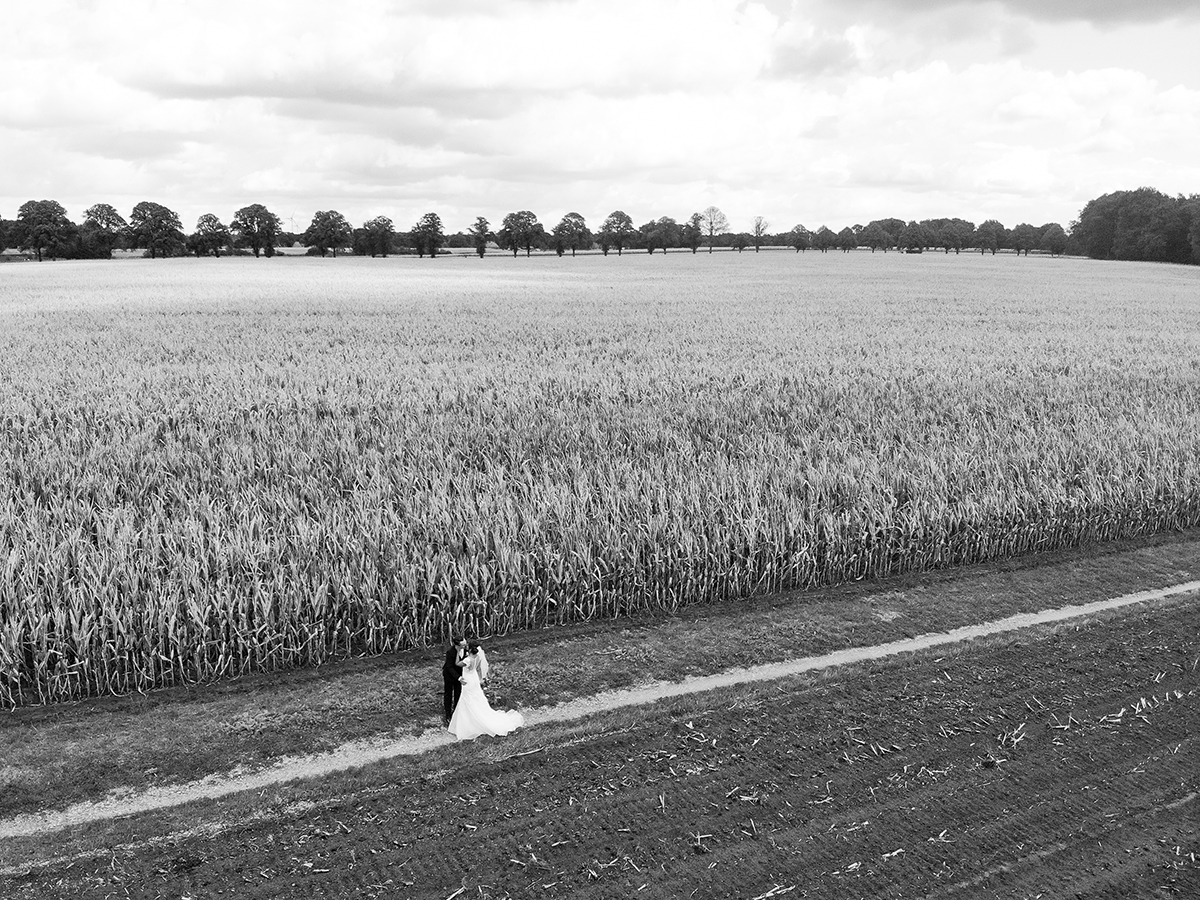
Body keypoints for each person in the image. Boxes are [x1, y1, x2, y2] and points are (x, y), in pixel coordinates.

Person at [447, 640, 524, 741]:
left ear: (469, 650)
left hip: (468, 681)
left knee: (467, 699)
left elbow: (457, 663)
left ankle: (468, 723)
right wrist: (479, 679)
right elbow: (478, 669)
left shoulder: (467, 660)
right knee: (475, 698)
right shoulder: (478, 657)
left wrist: (457, 651)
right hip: (474, 679)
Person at [442, 634, 467, 724]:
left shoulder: (466, 650)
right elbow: (449, 667)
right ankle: (447, 714)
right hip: (449, 675)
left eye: (465, 644)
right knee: (448, 694)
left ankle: (456, 712)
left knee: (458, 693)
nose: (465, 646)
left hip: (460, 675)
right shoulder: (450, 652)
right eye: (463, 645)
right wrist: (458, 677)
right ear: (457, 645)